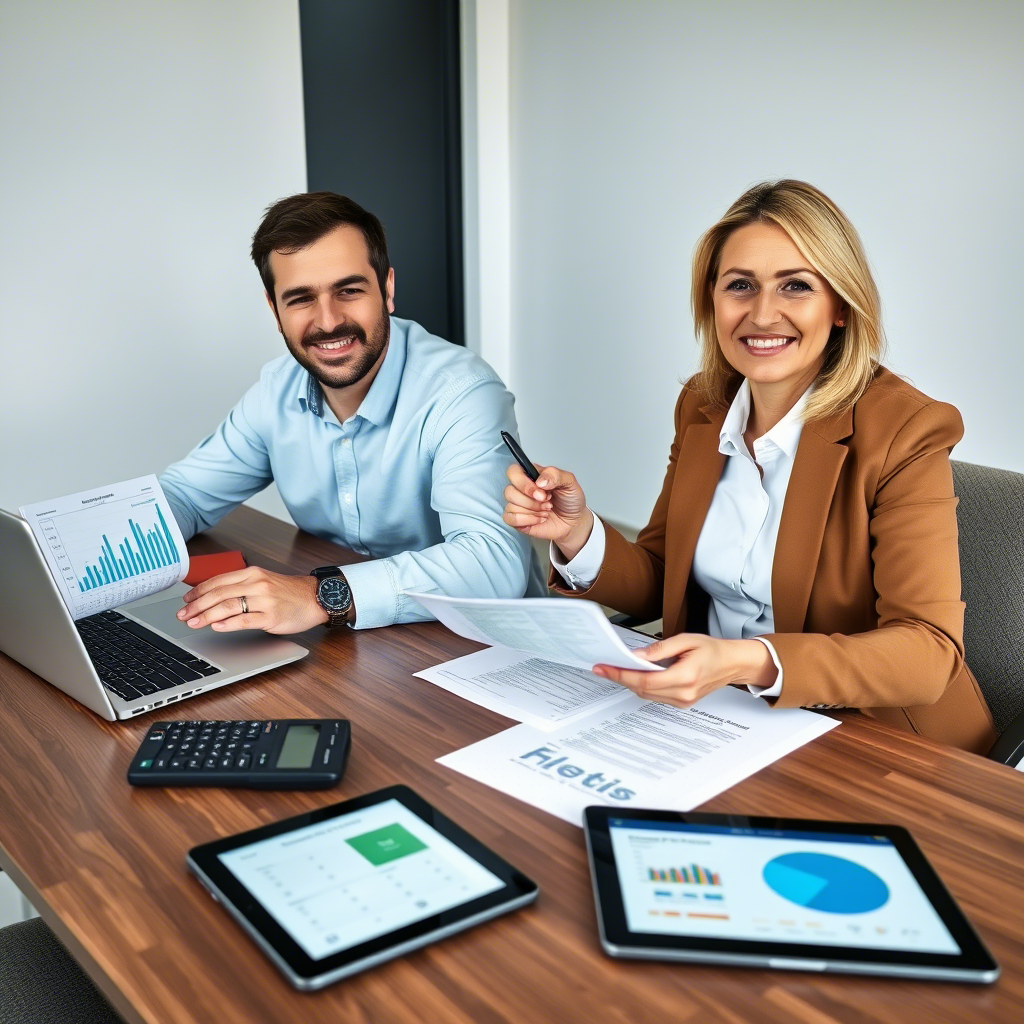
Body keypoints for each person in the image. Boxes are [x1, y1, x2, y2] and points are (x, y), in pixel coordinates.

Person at [503, 180, 996, 754]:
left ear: (839, 305)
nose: (763, 314)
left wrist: (750, 661)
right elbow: (664, 578)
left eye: (796, 286)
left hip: (870, 739)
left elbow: (927, 650)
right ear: (712, 301)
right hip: (714, 720)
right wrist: (578, 532)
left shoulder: (906, 429)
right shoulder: (703, 406)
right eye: (741, 286)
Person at [162, 191, 541, 634]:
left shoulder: (463, 394)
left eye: (348, 290)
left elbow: (491, 564)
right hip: (355, 644)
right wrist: (85, 556)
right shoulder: (276, 390)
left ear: (388, 289)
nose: (327, 321)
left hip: (478, 642)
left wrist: (320, 594)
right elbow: (186, 495)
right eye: (301, 298)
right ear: (275, 310)